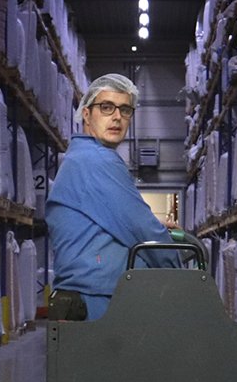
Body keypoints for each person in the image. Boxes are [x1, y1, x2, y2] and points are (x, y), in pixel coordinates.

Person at [44, 73, 178, 321]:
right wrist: (179, 272)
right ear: (86, 114)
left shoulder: (81, 158)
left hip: (90, 297)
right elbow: (141, 228)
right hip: (96, 302)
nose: (117, 116)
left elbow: (115, 222)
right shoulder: (97, 160)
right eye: (107, 107)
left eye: (125, 110)